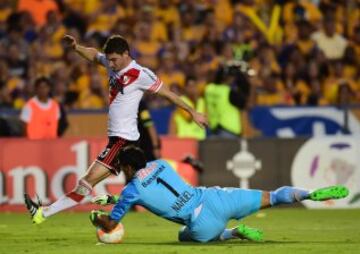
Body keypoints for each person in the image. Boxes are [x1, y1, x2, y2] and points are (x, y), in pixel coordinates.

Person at [24, 34, 207, 224]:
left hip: (123, 140)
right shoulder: (113, 65)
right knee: (143, 186)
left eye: (114, 60)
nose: (110, 64)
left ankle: (43, 214)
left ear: (126, 54)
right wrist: (76, 47)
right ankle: (190, 211)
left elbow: (168, 94)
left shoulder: (140, 73)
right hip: (118, 139)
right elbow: (94, 56)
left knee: (87, 183)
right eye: (109, 60)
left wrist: (193, 112)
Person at [89, 146, 349, 243]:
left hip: (203, 224)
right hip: (216, 198)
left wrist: (97, 218)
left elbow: (112, 223)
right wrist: (115, 200)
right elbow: (154, 190)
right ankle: (310, 193)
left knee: (183, 236)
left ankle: (233, 233)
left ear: (129, 167)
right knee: (273, 196)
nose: (120, 170)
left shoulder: (131, 190)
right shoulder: (161, 164)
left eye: (121, 166)